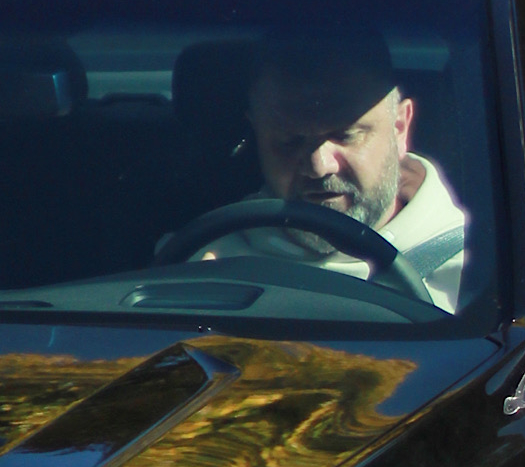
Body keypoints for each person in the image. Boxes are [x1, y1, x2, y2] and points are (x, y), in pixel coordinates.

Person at [196, 35, 468, 310]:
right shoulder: (204, 264)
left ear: (399, 127)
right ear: (257, 135)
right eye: (289, 141)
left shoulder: (477, 277)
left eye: (345, 135)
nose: (318, 166)